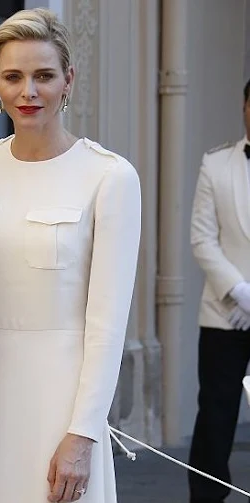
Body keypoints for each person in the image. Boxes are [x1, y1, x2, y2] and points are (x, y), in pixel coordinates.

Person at [0, 8, 141, 503]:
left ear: (67, 80)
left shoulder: (109, 177)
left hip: (60, 400)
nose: (28, 92)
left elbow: (107, 325)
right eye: (13, 76)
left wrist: (83, 432)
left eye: (44, 76)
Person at [188, 78, 250, 503]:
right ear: (244, 106)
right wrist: (242, 292)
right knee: (216, 415)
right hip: (225, 314)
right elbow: (201, 239)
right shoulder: (216, 164)